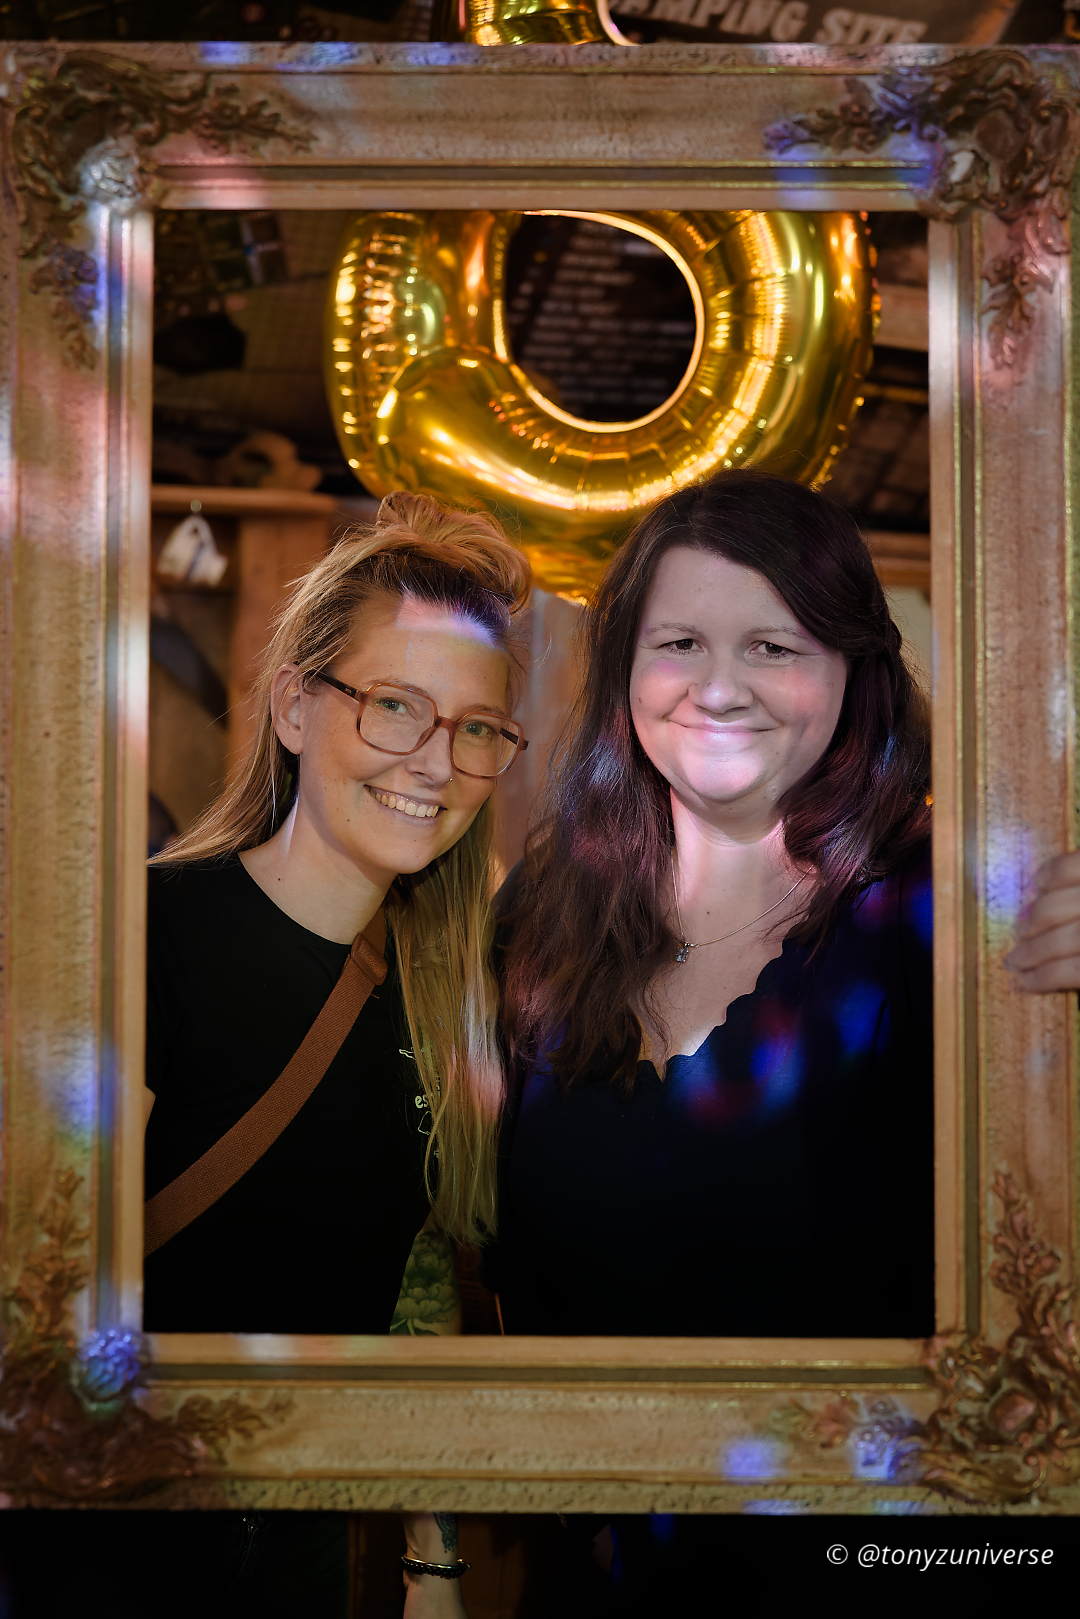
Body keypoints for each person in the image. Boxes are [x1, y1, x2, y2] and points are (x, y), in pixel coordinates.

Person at [143, 490, 530, 1618]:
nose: (436, 762)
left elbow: (417, 1288)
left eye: (476, 727)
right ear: (295, 707)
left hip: (304, 1548)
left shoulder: (453, 991)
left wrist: (431, 1557)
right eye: (396, 705)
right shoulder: (144, 938)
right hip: (109, 1528)